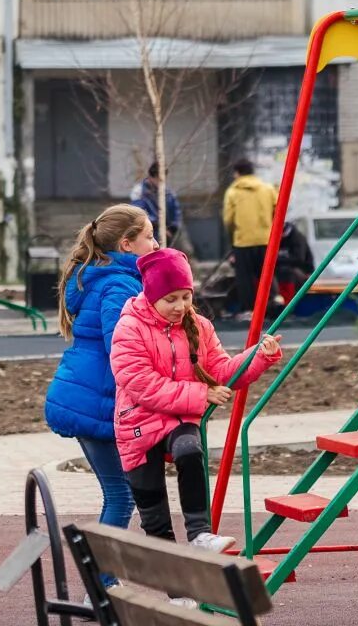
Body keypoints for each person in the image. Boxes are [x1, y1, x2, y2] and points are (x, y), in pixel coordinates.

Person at [111, 248, 281, 552]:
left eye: (186, 297)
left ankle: (200, 533)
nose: (180, 306)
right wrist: (202, 394)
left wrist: (257, 357)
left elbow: (220, 371)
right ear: (151, 297)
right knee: (155, 519)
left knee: (189, 449)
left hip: (178, 417)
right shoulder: (129, 327)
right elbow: (141, 385)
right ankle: (178, 598)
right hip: (139, 424)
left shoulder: (199, 326)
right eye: (171, 299)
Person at [44, 205, 156, 532]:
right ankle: (101, 580)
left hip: (84, 393)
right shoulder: (120, 285)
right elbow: (120, 345)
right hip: (97, 399)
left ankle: (101, 577)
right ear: (126, 244)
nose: (155, 243)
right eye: (148, 237)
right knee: (121, 497)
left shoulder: (100, 277)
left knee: (117, 495)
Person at [221, 158, 278, 320]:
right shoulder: (267, 189)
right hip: (265, 240)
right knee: (266, 274)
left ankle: (249, 310)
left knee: (244, 278)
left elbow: (228, 220)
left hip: (243, 241)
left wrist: (232, 237)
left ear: (237, 173)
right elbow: (277, 210)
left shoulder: (233, 192)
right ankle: (273, 304)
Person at [132, 162, 184, 246]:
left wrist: (172, 229)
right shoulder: (139, 192)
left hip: (168, 235)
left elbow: (176, 213)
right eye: (159, 179)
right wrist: (160, 227)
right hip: (150, 234)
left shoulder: (168, 193)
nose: (161, 183)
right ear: (151, 177)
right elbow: (139, 213)